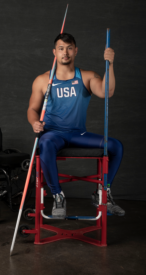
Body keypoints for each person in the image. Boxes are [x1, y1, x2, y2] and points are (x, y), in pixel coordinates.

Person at [27, 33, 125, 218]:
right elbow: (32, 109)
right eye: (61, 48)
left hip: (78, 134)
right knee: (45, 143)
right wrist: (34, 122)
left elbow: (107, 91)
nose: (65, 52)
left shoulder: (86, 77)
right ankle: (58, 195)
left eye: (69, 47)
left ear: (76, 50)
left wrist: (110, 64)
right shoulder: (43, 80)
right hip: (53, 135)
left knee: (115, 146)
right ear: (54, 52)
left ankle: (102, 192)